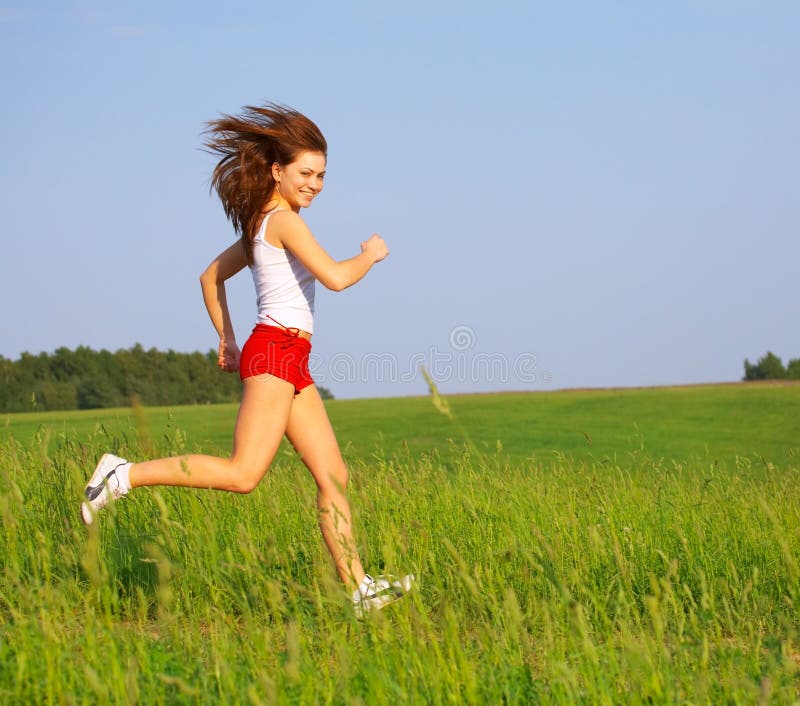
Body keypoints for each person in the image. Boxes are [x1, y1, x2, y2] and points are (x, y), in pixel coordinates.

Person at [81, 103, 413, 617]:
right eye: (306, 173)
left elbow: (208, 277)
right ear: (277, 171)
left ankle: (358, 589)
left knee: (332, 475)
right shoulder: (283, 221)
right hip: (277, 351)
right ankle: (124, 474)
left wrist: (228, 339)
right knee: (243, 474)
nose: (316, 183)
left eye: (322, 174)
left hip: (287, 354)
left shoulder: (263, 223)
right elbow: (337, 277)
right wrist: (371, 253)